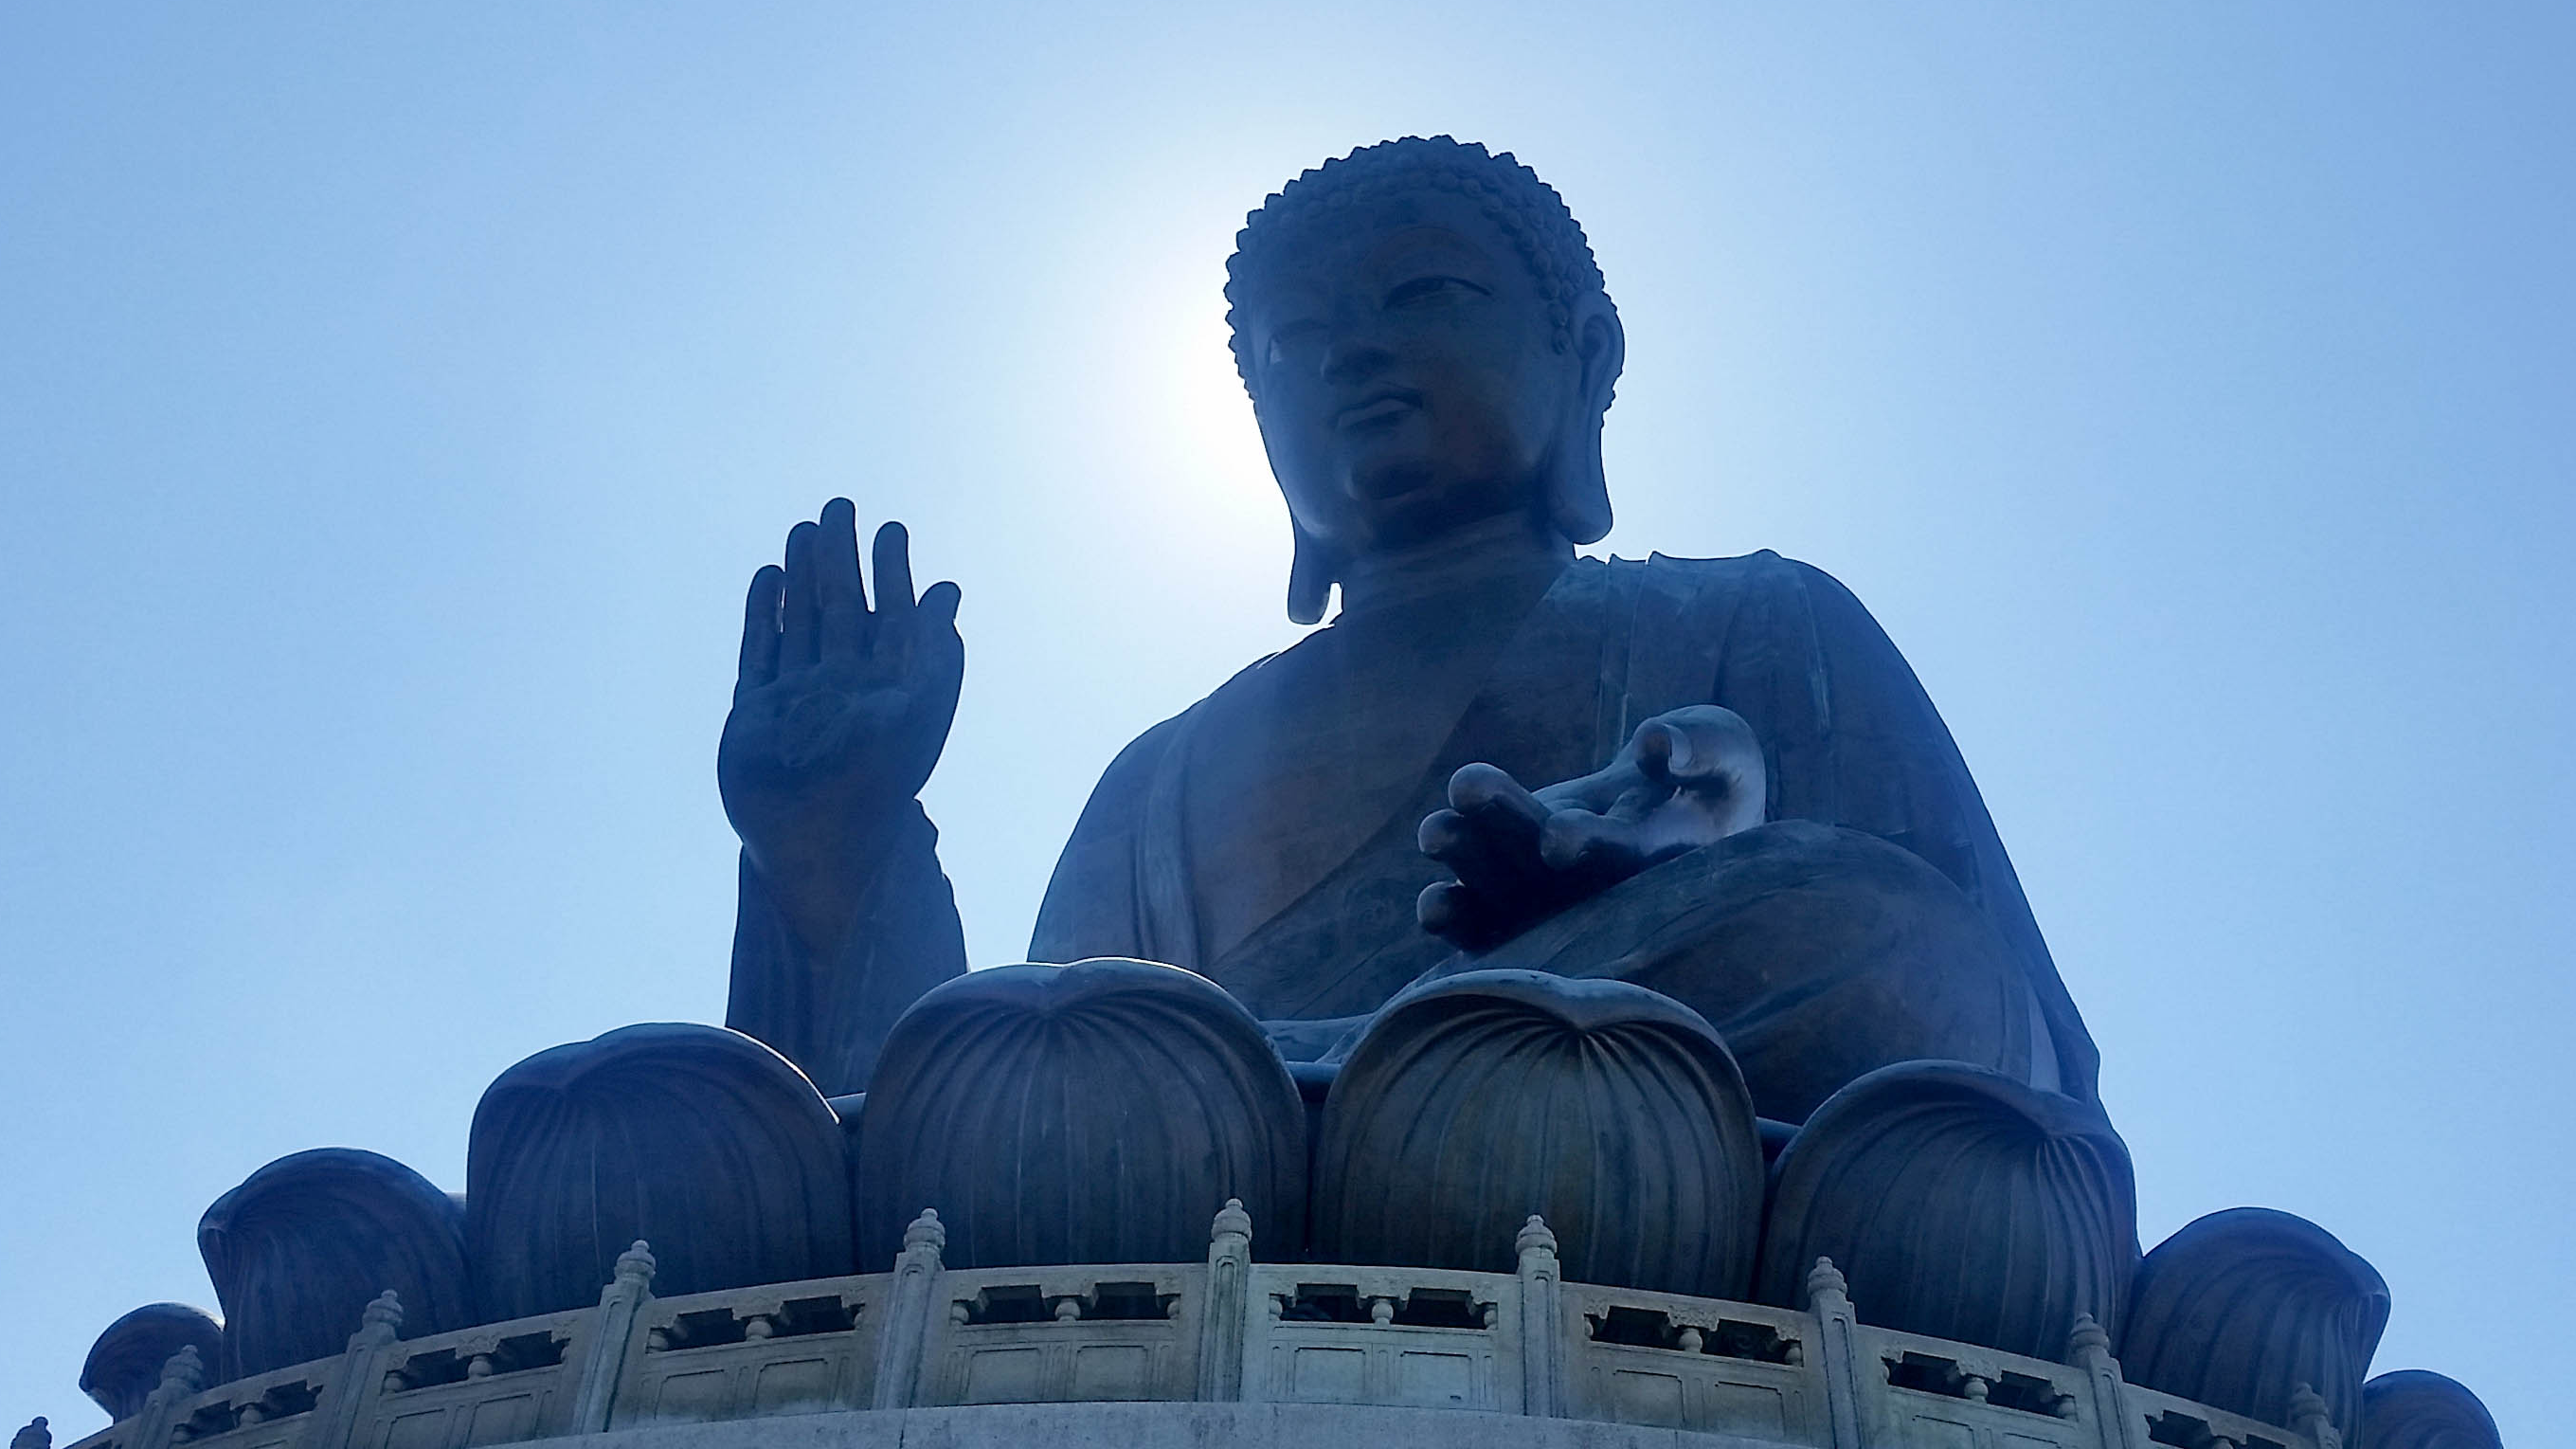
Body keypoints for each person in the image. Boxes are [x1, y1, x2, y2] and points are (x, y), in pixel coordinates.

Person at [717, 137, 2102, 1129]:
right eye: (1292, 340)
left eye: (1420, 294)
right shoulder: (1165, 776)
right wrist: (833, 844)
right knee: (1038, 1067)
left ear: (1585, 355)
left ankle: (1313, 1083)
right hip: (1209, 1162)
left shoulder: (1755, 617)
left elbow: (1992, 1032)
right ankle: (1316, 1082)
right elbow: (989, 1089)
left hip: (1594, 1140)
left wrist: (1656, 883)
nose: (1349, 353)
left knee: (1879, 936)